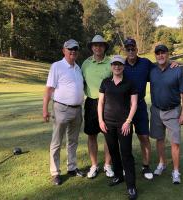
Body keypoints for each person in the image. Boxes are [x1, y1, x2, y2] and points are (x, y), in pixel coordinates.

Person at [123, 38, 180, 180]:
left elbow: (161, 67)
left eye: (133, 48)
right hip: (124, 106)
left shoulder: (145, 63)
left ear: (136, 49)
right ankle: (126, 166)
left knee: (144, 136)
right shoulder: (120, 64)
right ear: (125, 50)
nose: (131, 51)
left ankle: (146, 166)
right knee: (125, 137)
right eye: (128, 49)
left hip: (140, 105)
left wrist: (173, 63)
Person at [43, 39, 85, 185]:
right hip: (61, 109)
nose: (73, 51)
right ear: (64, 50)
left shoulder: (77, 68)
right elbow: (49, 89)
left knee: (73, 141)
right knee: (56, 142)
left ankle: (72, 167)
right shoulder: (57, 66)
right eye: (70, 49)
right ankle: (55, 172)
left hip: (77, 110)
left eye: (75, 49)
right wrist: (45, 110)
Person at [98, 55, 138, 200]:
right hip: (108, 123)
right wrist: (100, 120)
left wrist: (128, 121)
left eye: (119, 64)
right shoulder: (105, 82)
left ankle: (131, 186)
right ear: (111, 66)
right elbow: (101, 103)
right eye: (114, 64)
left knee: (126, 154)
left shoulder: (129, 83)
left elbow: (134, 103)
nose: (117, 67)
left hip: (124, 124)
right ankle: (118, 176)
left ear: (123, 67)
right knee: (114, 151)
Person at [149, 44, 183, 184]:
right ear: (155, 55)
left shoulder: (177, 70)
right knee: (159, 139)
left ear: (168, 54)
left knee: (175, 142)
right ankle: (162, 163)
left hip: (173, 111)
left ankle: (176, 171)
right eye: (158, 53)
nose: (160, 55)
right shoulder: (152, 69)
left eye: (163, 53)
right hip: (156, 110)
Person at [81, 35, 114, 178]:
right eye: (95, 45)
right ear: (91, 47)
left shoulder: (111, 62)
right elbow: (79, 82)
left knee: (109, 136)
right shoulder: (86, 64)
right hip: (91, 102)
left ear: (105, 47)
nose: (98, 47)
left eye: (101, 45)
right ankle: (94, 166)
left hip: (109, 103)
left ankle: (108, 165)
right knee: (92, 135)